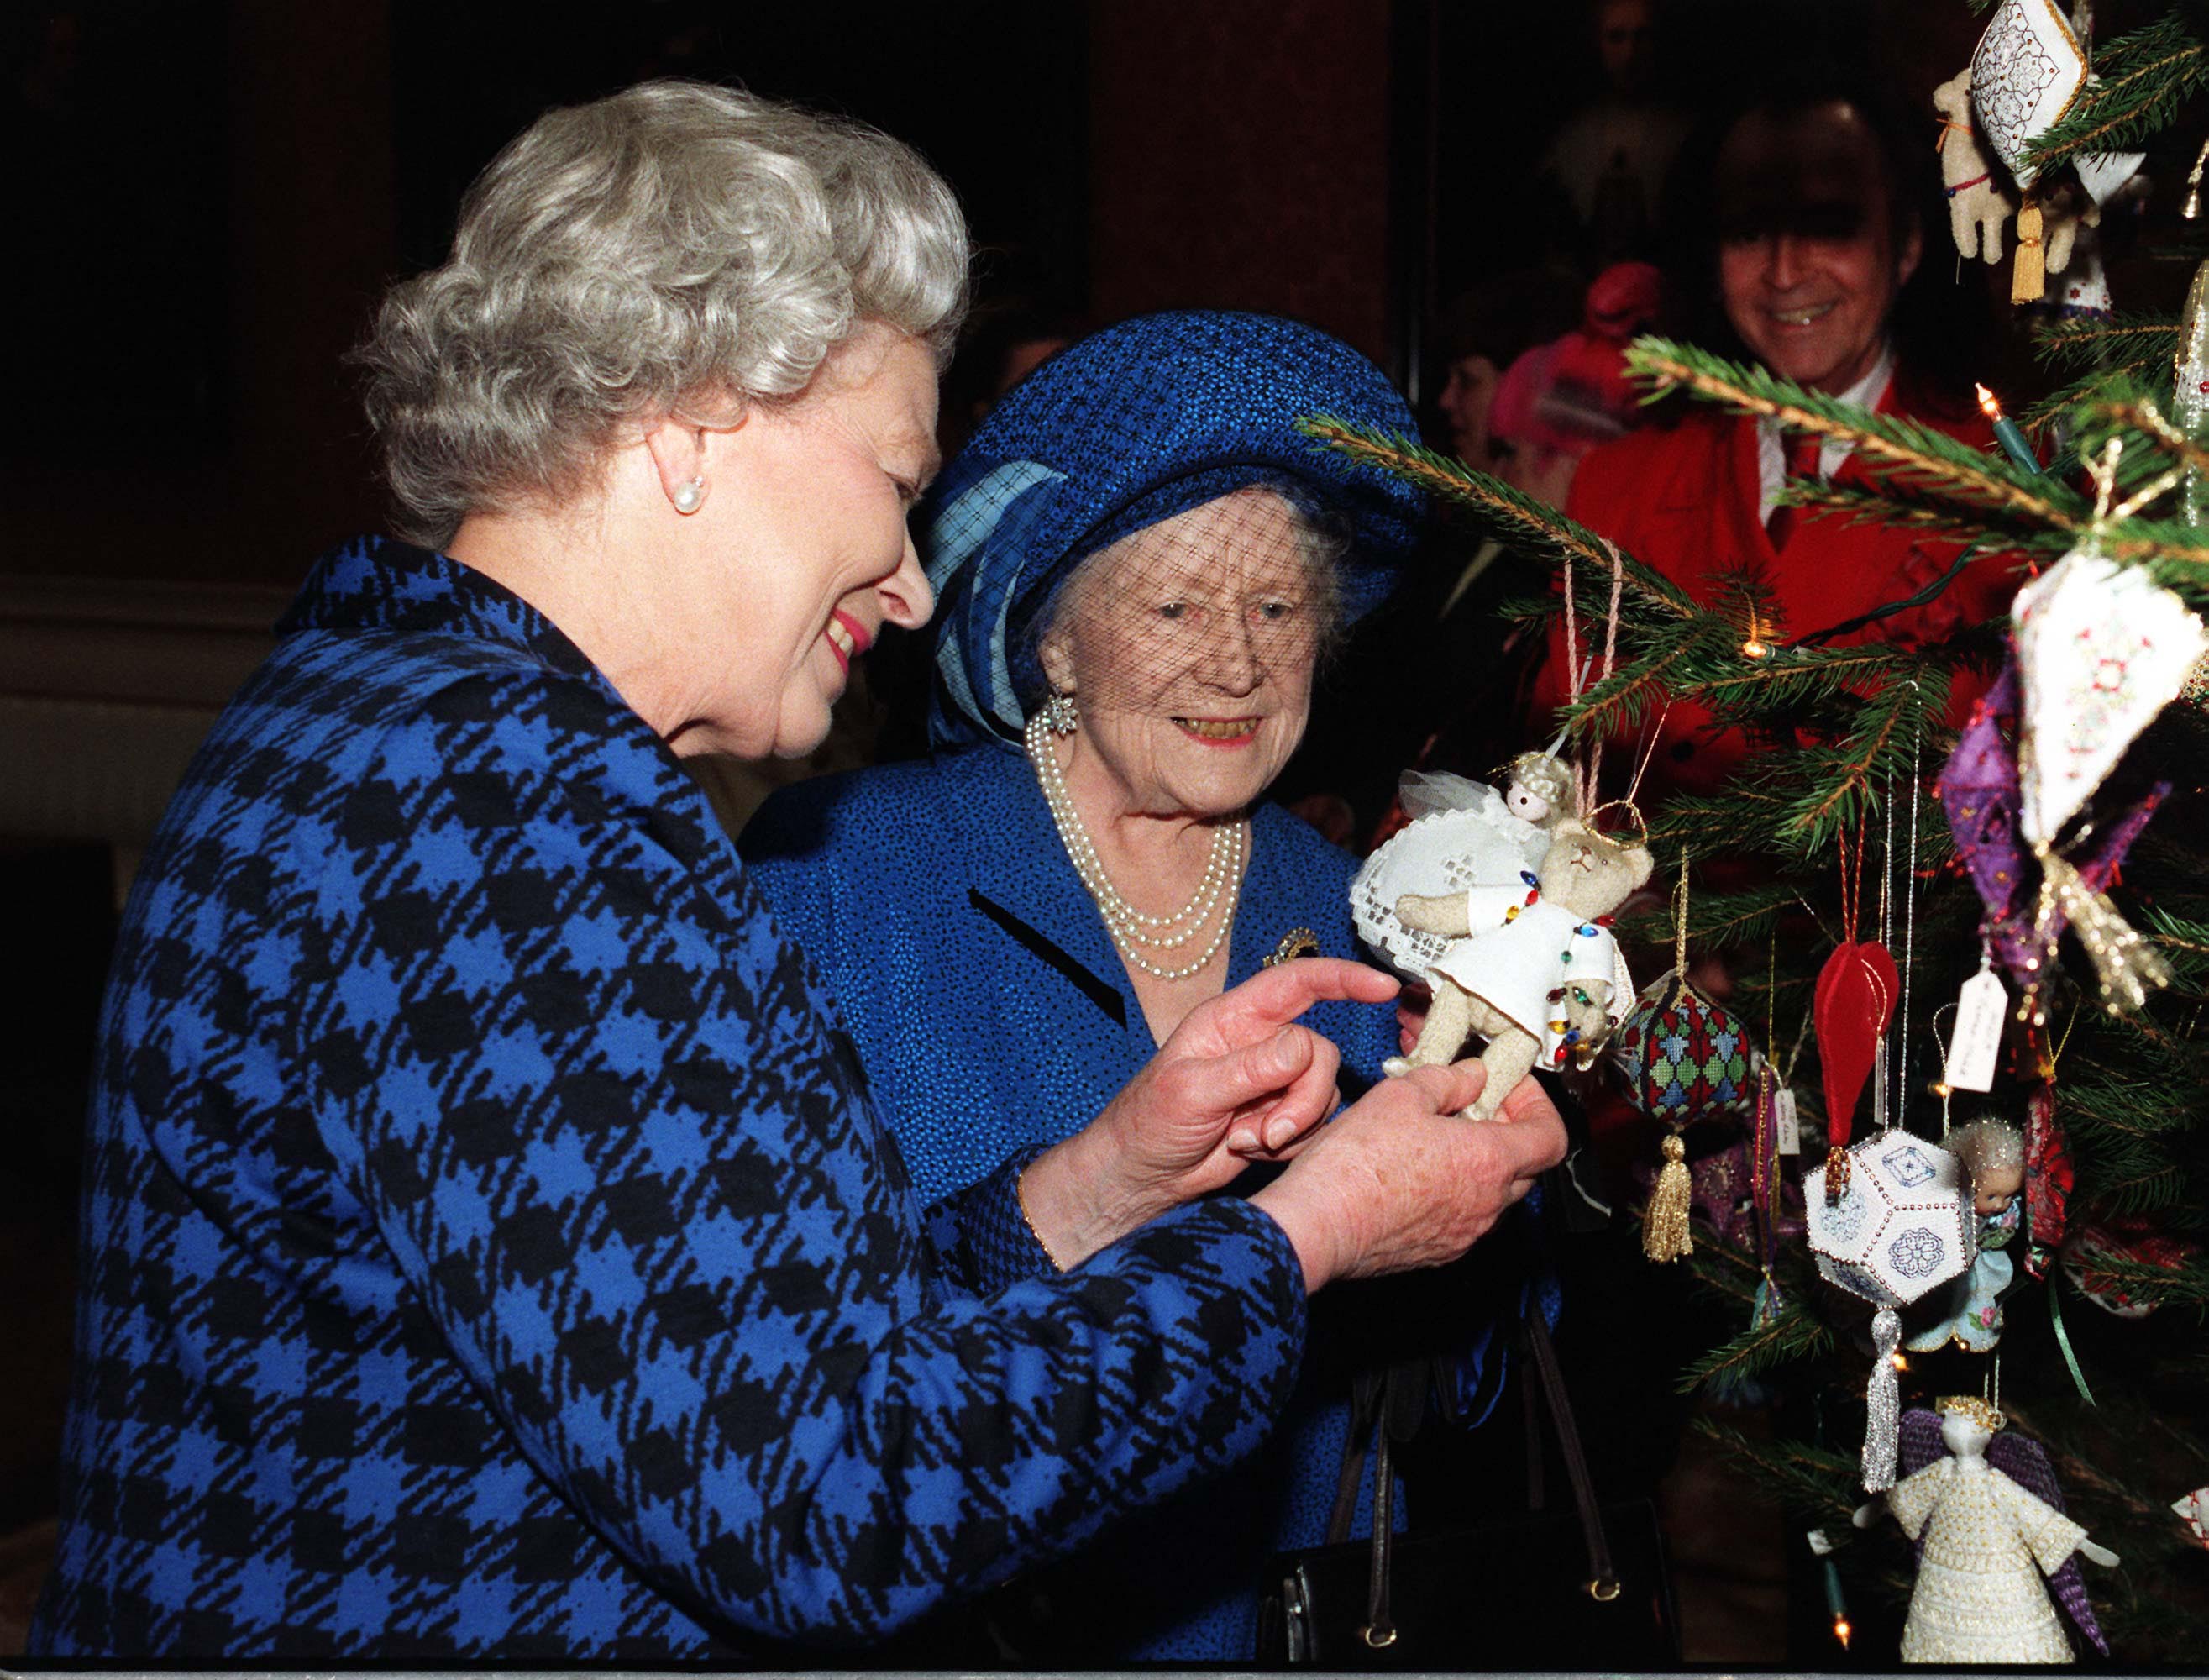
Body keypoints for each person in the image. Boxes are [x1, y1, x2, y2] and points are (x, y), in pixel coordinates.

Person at [28, 83, 1566, 1662]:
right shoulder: (505, 813)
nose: (909, 589)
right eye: (896, 486)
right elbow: (840, 1498)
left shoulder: (393, 718)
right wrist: (1305, 1232)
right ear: (698, 421)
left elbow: (738, 1346)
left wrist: (1100, 1182)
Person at [742, 310, 1556, 1659]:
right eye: (1174, 605)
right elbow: (783, 1370)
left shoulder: (1356, 905)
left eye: (1276, 607)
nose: (1234, 662)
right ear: (1053, 642)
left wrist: (1489, 1160)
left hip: (1305, 1625)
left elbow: (1463, 1389)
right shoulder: (852, 873)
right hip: (968, 1617)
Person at [1545, 73, 2009, 793]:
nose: (1785, 273)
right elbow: (1571, 787)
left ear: (1909, 244)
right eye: (1750, 231)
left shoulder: (2013, 490)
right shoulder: (1614, 491)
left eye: (1829, 225)